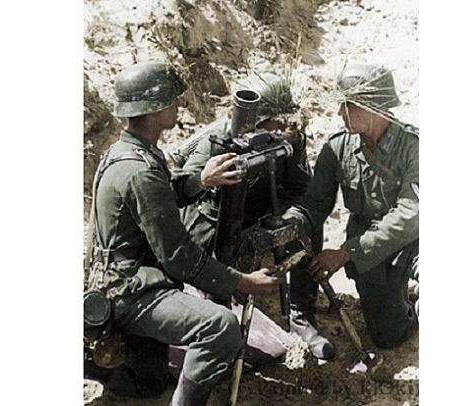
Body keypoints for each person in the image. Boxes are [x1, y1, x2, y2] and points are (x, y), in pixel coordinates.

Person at [85, 60, 283, 405]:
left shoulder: (127, 152)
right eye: (172, 100)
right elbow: (180, 258)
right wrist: (243, 282)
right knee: (220, 327)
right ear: (154, 109)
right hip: (130, 291)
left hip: (118, 280)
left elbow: (159, 195)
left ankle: (96, 359)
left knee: (150, 384)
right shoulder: (139, 170)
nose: (178, 105)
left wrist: (201, 180)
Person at [174, 72, 335, 360]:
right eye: (277, 120)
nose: (284, 126)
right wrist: (206, 179)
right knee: (214, 285)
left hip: (259, 212)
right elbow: (180, 185)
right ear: (260, 120)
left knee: (308, 220)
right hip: (213, 223)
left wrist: (290, 220)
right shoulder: (218, 141)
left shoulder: (289, 136)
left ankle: (301, 313)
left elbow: (301, 188)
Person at [287, 64, 419, 349]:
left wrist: (346, 253)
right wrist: (293, 219)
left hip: (414, 243)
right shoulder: (338, 148)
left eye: (347, 105)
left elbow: (410, 217)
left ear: (372, 106)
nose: (340, 113)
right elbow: (316, 203)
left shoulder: (414, 147)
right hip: (371, 253)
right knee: (388, 336)